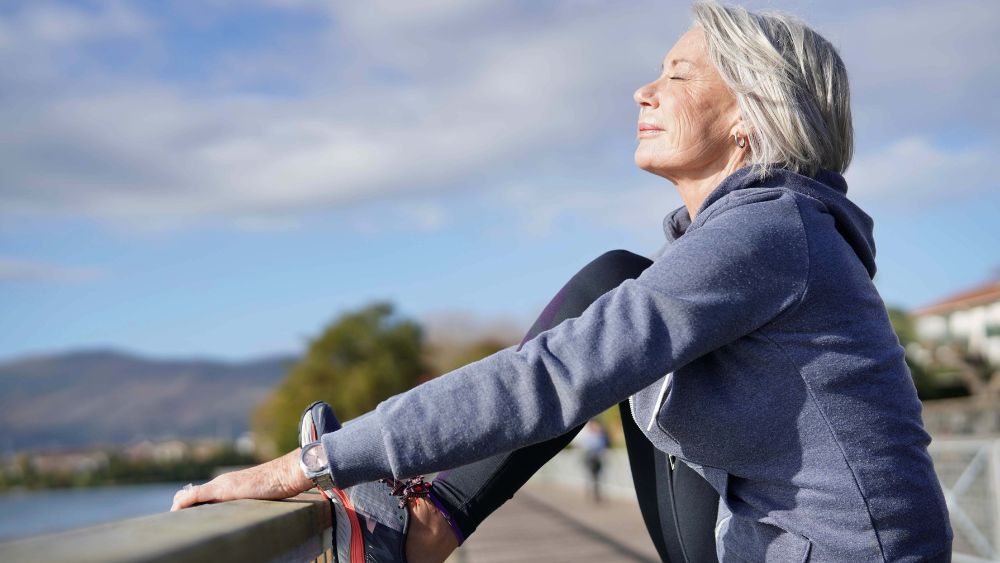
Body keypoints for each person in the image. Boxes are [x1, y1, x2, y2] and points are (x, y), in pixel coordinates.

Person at [171, 1, 955, 561]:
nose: (643, 92)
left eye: (678, 74)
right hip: (760, 540)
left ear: (752, 113)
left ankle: (421, 524)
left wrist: (314, 462)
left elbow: (551, 375)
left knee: (605, 310)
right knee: (618, 283)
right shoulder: (749, 237)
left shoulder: (773, 228)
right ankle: (422, 517)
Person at [573, 419, 610, 503]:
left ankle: (595, 493)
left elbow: (605, 444)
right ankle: (593, 493)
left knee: (597, 476)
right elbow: (582, 445)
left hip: (598, 457)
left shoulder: (601, 435)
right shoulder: (587, 435)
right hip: (590, 458)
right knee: (592, 476)